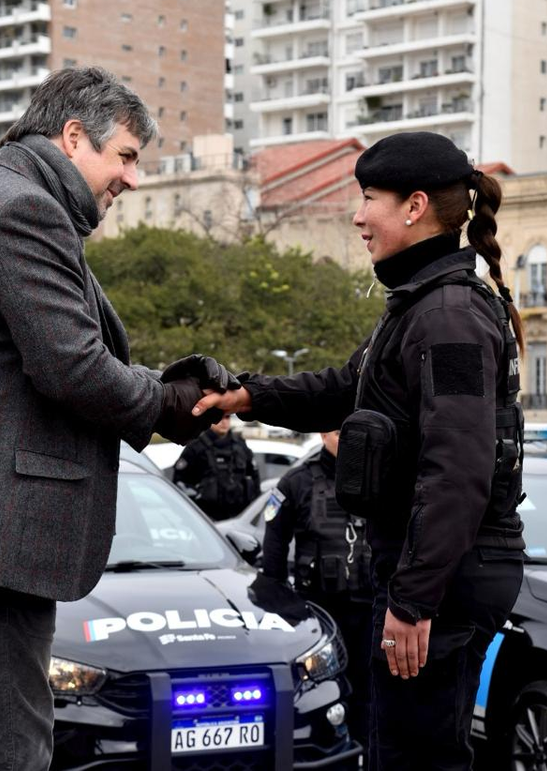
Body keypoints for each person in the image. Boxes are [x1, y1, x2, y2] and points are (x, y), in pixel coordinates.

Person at [0, 67, 232, 770]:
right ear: (72, 136)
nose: (132, 179)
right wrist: (169, 402)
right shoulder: (24, 210)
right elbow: (74, 367)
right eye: (125, 156)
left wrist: (160, 387)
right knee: (7, 747)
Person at [194, 131, 526, 770]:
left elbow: (458, 470)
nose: (358, 216)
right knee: (395, 747)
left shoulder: (448, 316)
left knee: (414, 758)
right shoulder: (421, 306)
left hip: (443, 577)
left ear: (415, 206)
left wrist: (415, 599)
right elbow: (344, 390)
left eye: (370, 198)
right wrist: (246, 395)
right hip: (434, 572)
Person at [261, 429, 373, 747]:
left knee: (369, 695)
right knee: (320, 693)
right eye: (339, 432)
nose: (348, 440)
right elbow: (274, 546)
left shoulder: (379, 478)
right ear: (324, 434)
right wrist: (280, 602)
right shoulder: (297, 482)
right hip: (318, 615)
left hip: (369, 610)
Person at [173, 413, 260, 520]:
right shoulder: (196, 447)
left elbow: (254, 476)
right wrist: (197, 497)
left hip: (239, 516)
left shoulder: (240, 446)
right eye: (220, 417)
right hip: (206, 518)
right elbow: (179, 482)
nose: (224, 422)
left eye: (227, 417)